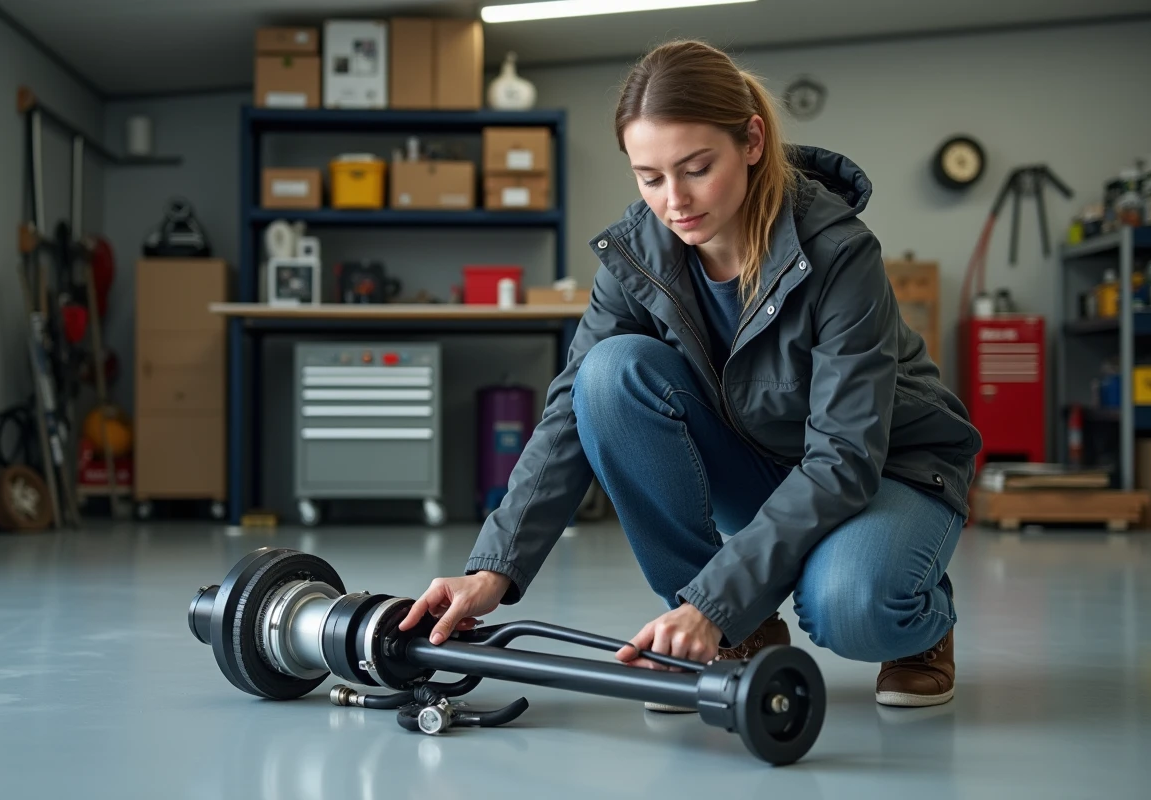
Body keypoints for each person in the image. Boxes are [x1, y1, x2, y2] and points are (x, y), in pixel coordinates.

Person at [400, 40, 981, 711]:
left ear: (753, 141)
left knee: (850, 609)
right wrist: (491, 569)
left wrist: (716, 598)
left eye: (697, 168)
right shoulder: (638, 253)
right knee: (606, 374)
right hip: (760, 457)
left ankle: (916, 622)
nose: (674, 201)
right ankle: (737, 635)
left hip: (887, 467)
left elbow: (845, 454)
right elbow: (569, 414)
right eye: (649, 178)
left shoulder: (838, 253)